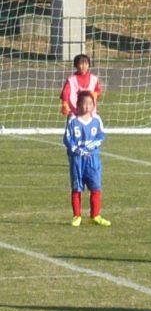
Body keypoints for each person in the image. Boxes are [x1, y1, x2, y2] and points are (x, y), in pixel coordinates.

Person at [63, 90, 110, 227]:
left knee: (95, 187)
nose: (87, 107)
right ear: (78, 105)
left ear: (93, 105)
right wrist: (77, 150)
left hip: (92, 159)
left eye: (90, 103)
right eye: (84, 104)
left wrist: (90, 147)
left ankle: (95, 215)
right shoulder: (73, 121)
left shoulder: (96, 120)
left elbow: (101, 137)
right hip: (77, 160)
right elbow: (67, 139)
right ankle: (77, 216)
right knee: (77, 187)